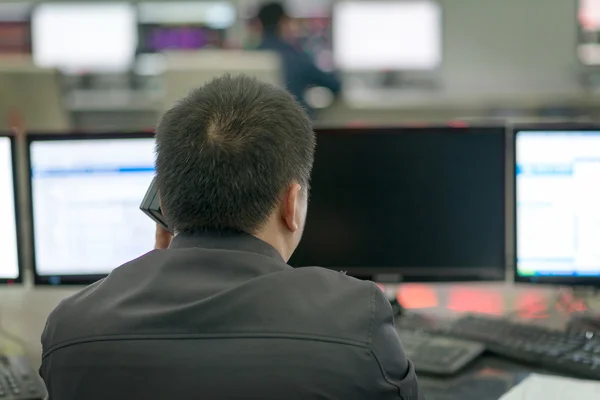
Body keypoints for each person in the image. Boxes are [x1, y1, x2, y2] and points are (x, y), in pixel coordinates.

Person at [40, 75, 422, 399]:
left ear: (165, 201)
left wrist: (161, 261)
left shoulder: (70, 328)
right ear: (292, 204)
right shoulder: (355, 318)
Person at [256, 1, 341, 116]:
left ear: (259, 24)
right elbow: (334, 85)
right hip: (296, 128)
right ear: (283, 22)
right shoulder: (295, 57)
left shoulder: (249, 58)